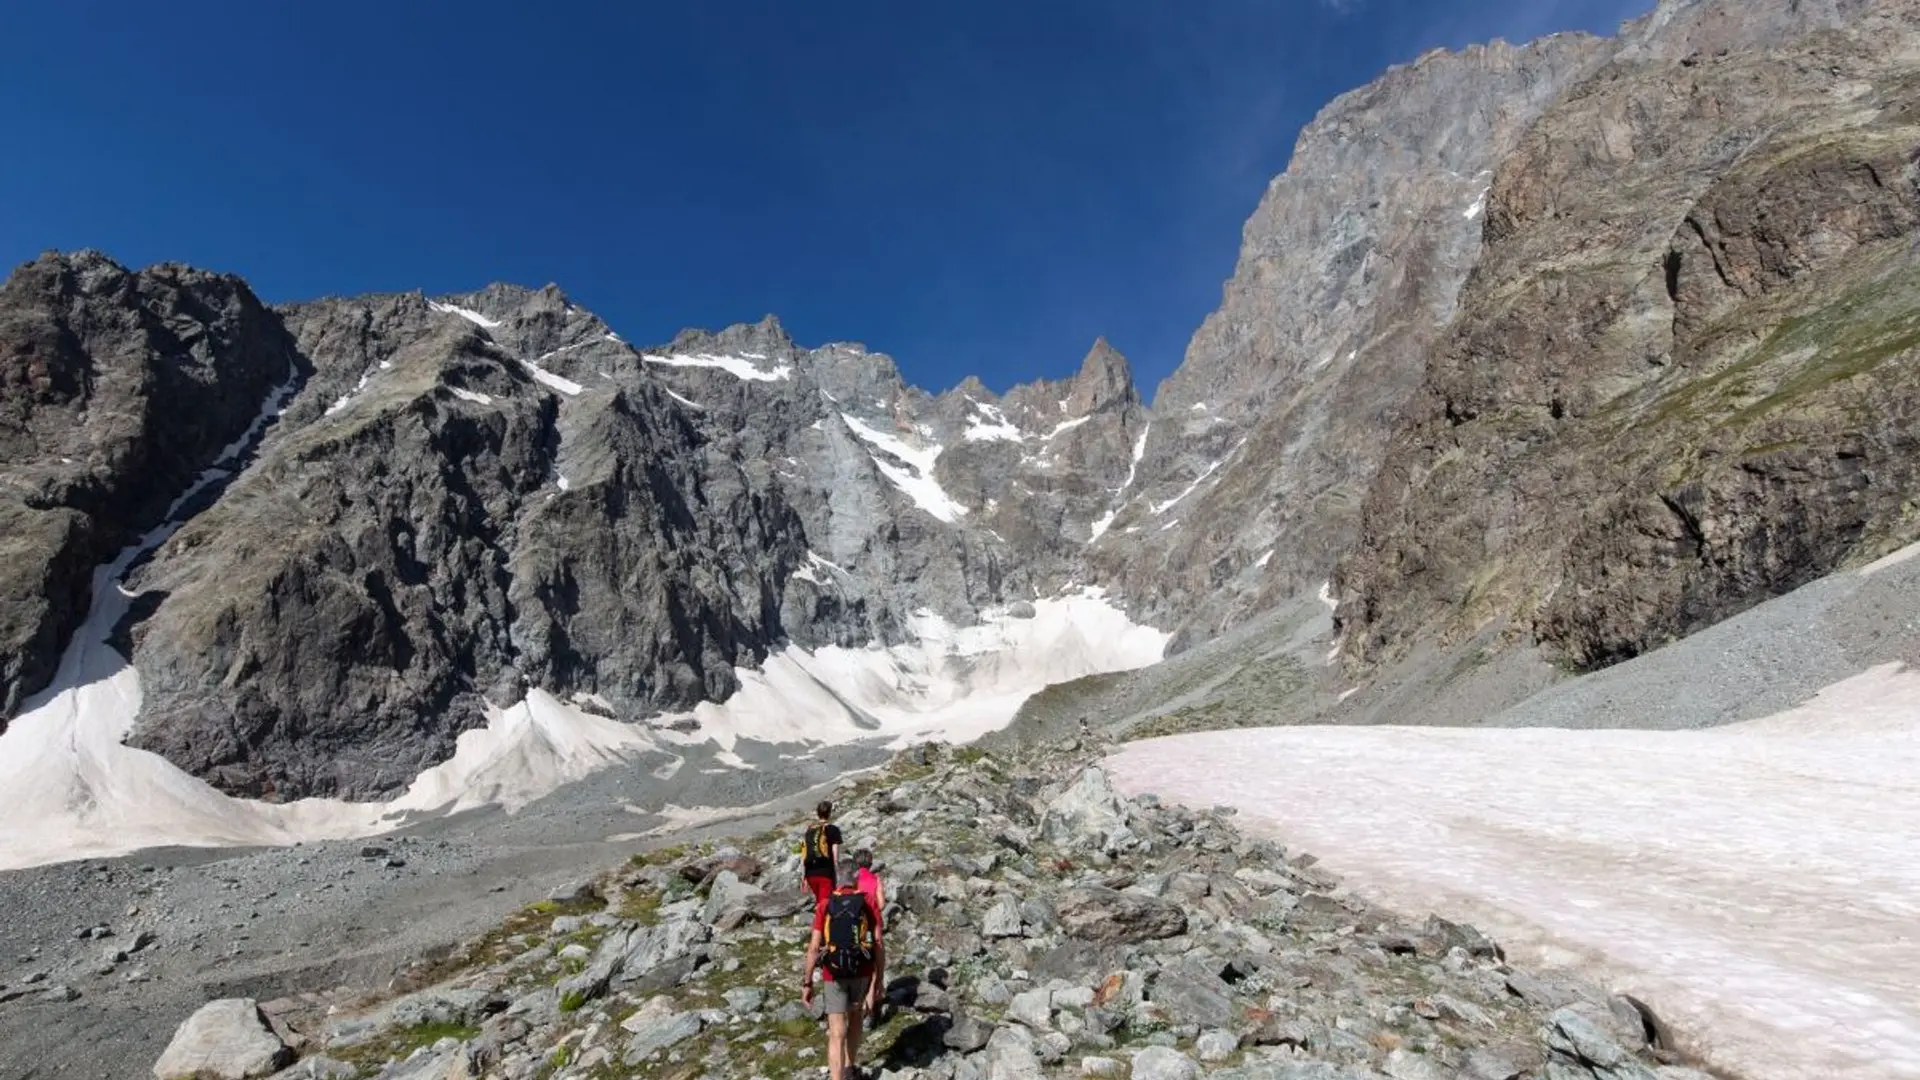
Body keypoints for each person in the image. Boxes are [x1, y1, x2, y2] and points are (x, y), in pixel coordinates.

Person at [802, 858, 884, 1080]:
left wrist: (807, 982)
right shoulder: (867, 903)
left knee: (836, 1032)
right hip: (861, 971)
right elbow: (878, 943)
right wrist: (879, 980)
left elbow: (813, 947)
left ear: (837, 879)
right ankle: (849, 1068)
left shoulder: (825, 905)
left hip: (833, 973)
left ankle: (837, 1078)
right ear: (856, 880)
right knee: (855, 1018)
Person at [801, 800, 842, 911]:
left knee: (820, 902)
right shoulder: (833, 830)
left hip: (810, 874)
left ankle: (819, 920)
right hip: (825, 873)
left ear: (818, 813)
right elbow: (835, 853)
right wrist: (837, 869)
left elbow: (804, 853)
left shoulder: (810, 831)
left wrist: (804, 877)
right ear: (829, 813)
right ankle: (820, 922)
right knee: (825, 906)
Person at [853, 848, 884, 927]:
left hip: (856, 917)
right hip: (873, 919)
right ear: (870, 864)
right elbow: (881, 905)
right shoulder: (876, 879)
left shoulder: (851, 879)